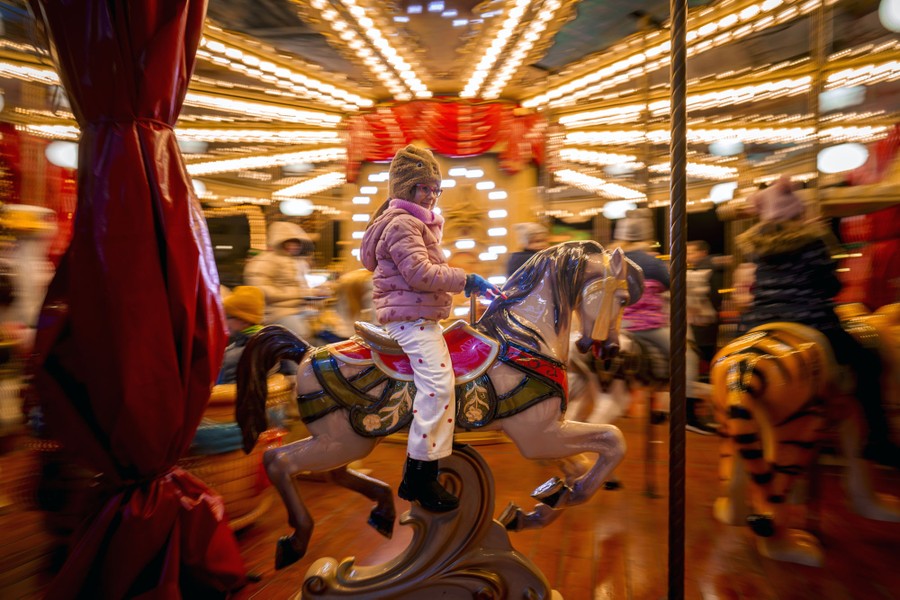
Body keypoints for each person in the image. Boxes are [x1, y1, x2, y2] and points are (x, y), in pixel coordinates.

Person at [360, 144, 501, 512]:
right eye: (424, 188)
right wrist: (465, 279)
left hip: (420, 315)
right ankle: (419, 476)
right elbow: (420, 274)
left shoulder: (416, 223)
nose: (432, 195)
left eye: (435, 189)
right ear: (406, 189)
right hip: (411, 320)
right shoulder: (403, 223)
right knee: (438, 385)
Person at [737, 175, 900, 468]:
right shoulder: (812, 241)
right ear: (797, 212)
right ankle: (878, 437)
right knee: (867, 361)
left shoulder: (755, 247)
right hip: (809, 319)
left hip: (758, 322)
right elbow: (831, 285)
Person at [613, 208, 717, 434]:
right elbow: (676, 288)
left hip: (620, 326)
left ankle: (657, 407)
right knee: (687, 356)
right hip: (646, 327)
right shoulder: (652, 263)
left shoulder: (613, 260)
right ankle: (688, 414)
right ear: (646, 237)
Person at [244, 221, 320, 341]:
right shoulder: (265, 261)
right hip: (277, 312)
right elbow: (260, 289)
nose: (295, 247)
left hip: (299, 310)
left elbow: (305, 285)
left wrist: (316, 291)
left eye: (297, 244)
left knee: (323, 329)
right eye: (290, 243)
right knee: (301, 336)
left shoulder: (299, 263)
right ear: (281, 243)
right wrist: (297, 293)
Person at [686, 239, 725, 364]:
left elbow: (713, 295)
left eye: (691, 253)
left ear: (703, 252)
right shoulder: (705, 268)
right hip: (705, 320)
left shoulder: (706, 270)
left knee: (702, 352)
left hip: (704, 320)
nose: (688, 256)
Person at [217, 286, 265, 385]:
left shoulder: (234, 356)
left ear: (244, 320)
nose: (223, 322)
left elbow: (227, 395)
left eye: (227, 317)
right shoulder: (272, 342)